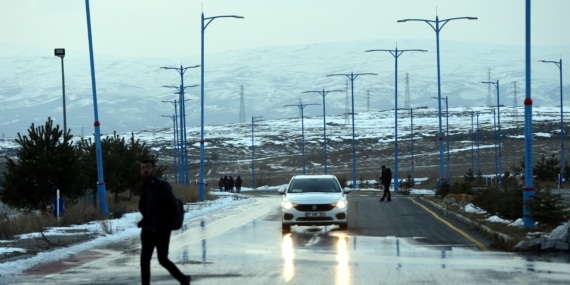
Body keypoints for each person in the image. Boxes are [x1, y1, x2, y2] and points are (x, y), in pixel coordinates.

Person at [138, 159, 191, 285]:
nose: (145, 170)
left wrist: (165, 223)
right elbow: (146, 207)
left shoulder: (162, 185)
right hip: (148, 230)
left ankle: (183, 279)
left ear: (153, 169)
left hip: (161, 230)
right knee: (144, 260)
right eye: (143, 167)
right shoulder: (144, 186)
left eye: (148, 167)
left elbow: (173, 205)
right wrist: (144, 219)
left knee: (162, 259)